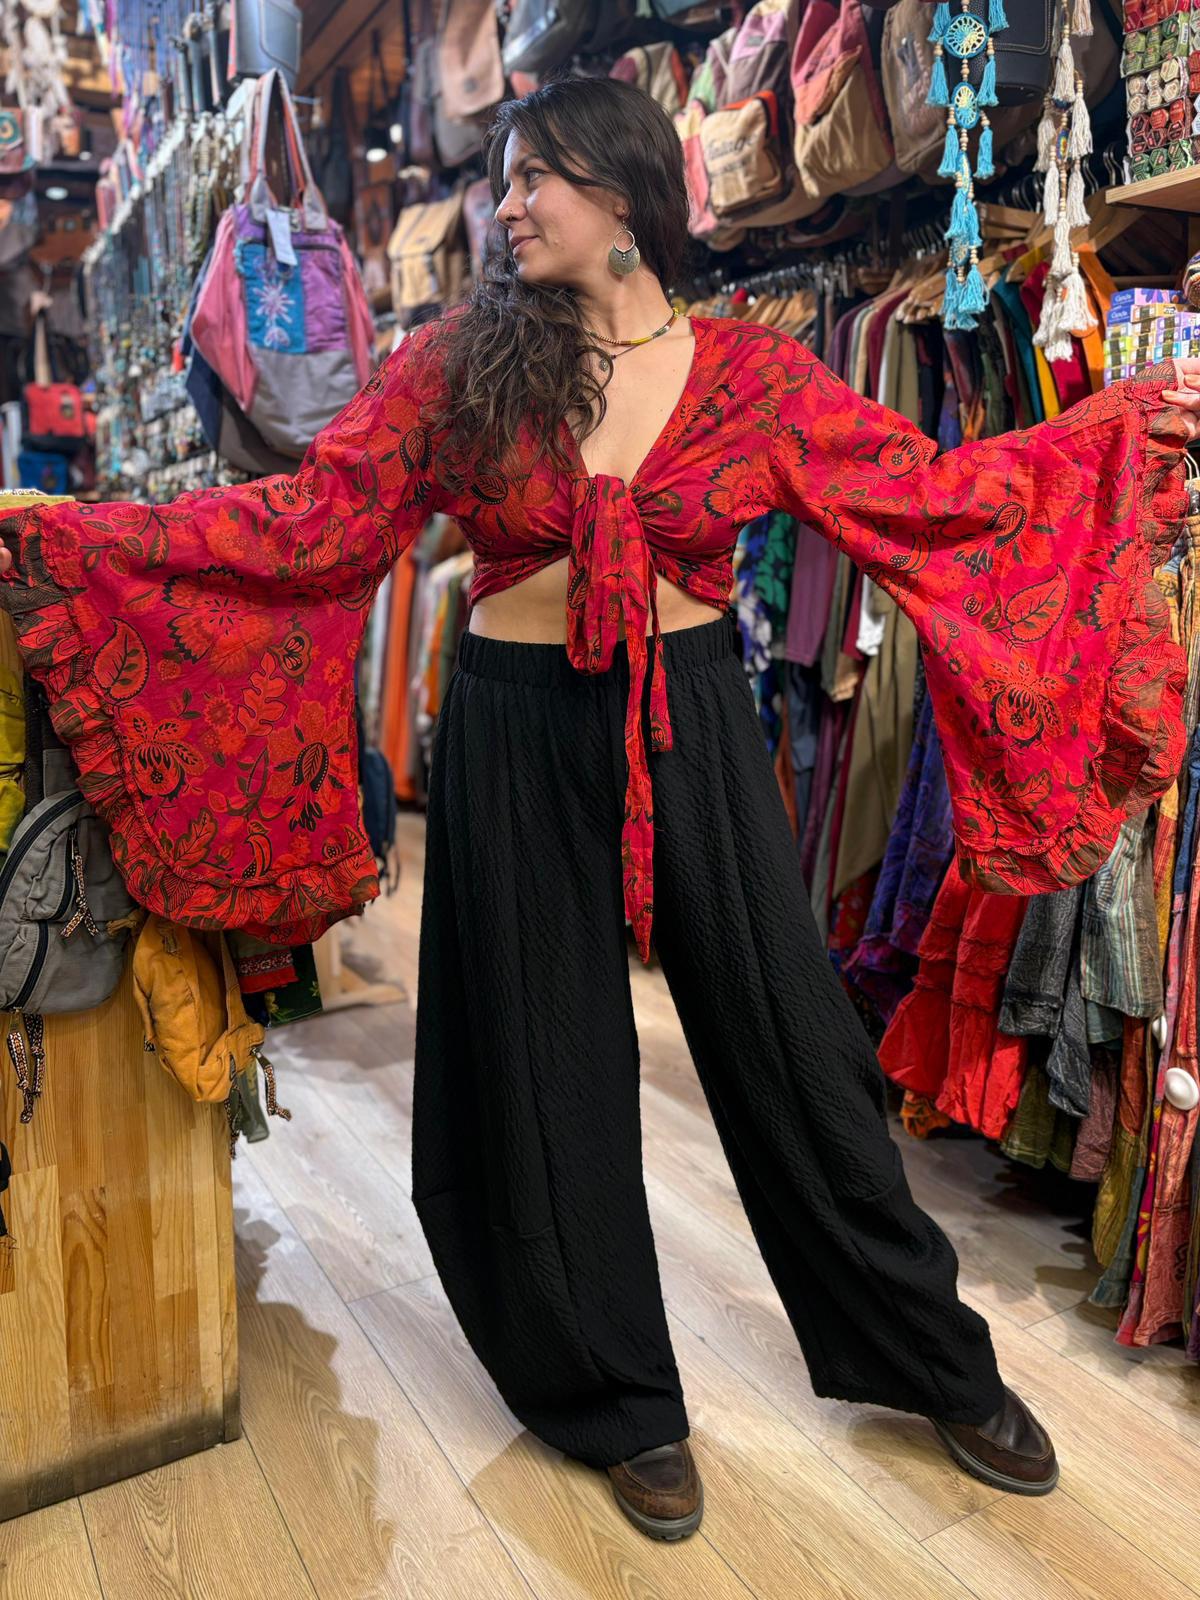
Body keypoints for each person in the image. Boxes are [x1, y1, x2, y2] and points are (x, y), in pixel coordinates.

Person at [1, 75, 1199, 1543]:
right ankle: (615, 1396)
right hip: (512, 728)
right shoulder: (459, 366)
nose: (504, 206)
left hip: (690, 718)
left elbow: (932, 500)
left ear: (621, 193)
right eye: (503, 180)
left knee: (796, 1045)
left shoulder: (752, 376)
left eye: (532, 179)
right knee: (544, 1058)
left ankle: (928, 1360)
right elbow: (308, 522)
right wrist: (82, 538)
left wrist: (1123, 433)